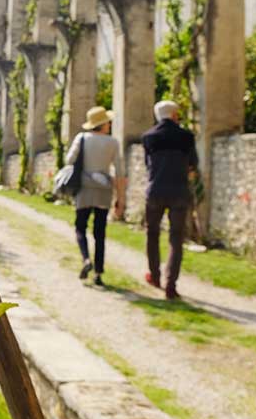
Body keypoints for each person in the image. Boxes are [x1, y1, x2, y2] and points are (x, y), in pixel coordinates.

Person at [64, 106, 127, 286]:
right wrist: (120, 199)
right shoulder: (112, 142)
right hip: (104, 189)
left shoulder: (82, 138)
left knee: (80, 227)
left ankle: (86, 259)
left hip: (84, 187)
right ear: (103, 124)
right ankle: (98, 273)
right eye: (108, 121)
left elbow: (69, 160)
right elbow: (120, 171)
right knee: (100, 232)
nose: (109, 124)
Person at [141, 100, 198, 300]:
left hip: (155, 190)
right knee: (176, 238)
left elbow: (148, 165)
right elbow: (192, 165)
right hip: (179, 191)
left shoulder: (148, 137)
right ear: (174, 114)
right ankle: (171, 285)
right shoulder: (186, 136)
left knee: (152, 234)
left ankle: (154, 276)